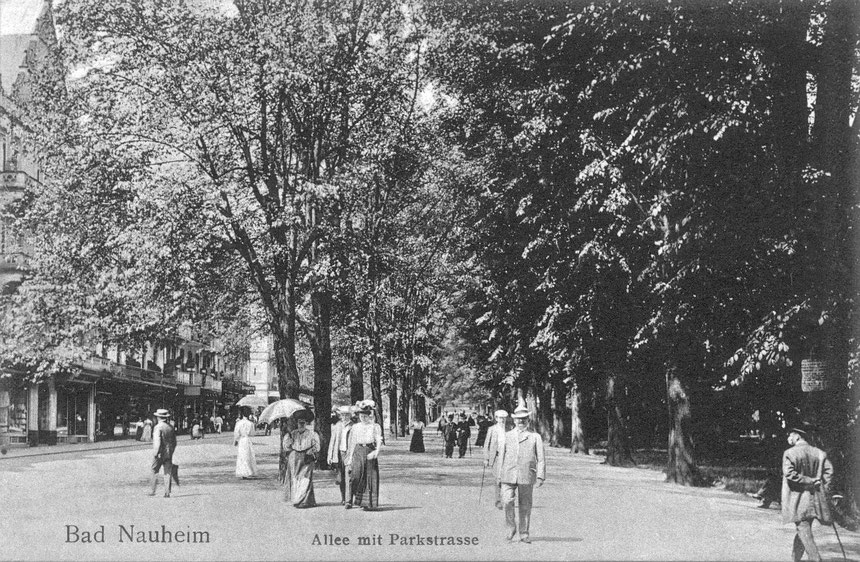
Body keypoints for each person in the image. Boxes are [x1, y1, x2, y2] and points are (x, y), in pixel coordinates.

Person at [782, 425, 833, 562]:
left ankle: (815, 558)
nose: (788, 438)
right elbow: (829, 473)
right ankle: (795, 558)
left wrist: (809, 481)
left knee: (803, 528)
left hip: (797, 499)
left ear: (797, 436)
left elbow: (790, 474)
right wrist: (823, 487)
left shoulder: (790, 453)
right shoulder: (820, 453)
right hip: (816, 499)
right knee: (804, 527)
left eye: (790, 435)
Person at [498, 406, 545, 543]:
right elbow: (501, 456)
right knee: (507, 501)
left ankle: (524, 533)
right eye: (518, 419)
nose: (521, 421)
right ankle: (510, 528)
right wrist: (499, 476)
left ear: (528, 420)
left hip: (526, 475)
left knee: (525, 505)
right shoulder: (507, 436)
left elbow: (541, 458)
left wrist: (541, 476)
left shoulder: (535, 437)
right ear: (514, 420)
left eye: (524, 419)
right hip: (508, 474)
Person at [346, 400, 383, 510]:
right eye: (361, 416)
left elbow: (379, 440)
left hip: (369, 450)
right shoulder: (355, 427)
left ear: (369, 416)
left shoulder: (374, 426)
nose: (363, 418)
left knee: (370, 477)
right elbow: (352, 442)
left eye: (365, 416)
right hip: (358, 451)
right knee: (355, 475)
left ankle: (367, 503)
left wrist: (376, 452)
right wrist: (349, 457)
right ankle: (351, 499)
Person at [284, 409, 321, 508]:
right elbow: (287, 447)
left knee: (305, 478)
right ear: (296, 423)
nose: (301, 424)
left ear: (306, 423)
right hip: (295, 457)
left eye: (303, 422)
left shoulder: (312, 434)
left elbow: (317, 447)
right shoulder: (293, 433)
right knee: (295, 478)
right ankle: (297, 499)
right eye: (299, 422)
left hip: (307, 458)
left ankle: (304, 500)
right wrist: (288, 438)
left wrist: (311, 450)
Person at [327, 405, 355, 505]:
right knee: (341, 477)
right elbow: (332, 441)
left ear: (350, 415)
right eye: (342, 415)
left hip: (349, 453)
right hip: (338, 453)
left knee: (349, 477)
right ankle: (343, 498)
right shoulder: (337, 426)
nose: (344, 417)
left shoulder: (353, 426)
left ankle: (348, 500)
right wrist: (329, 456)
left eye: (347, 415)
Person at [484, 409, 509, 509]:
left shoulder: (509, 429)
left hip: (507, 458)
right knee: (498, 479)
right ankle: (498, 500)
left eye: (504, 418)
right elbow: (487, 445)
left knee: (506, 478)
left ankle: (506, 499)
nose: (502, 420)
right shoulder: (492, 429)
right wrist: (486, 458)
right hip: (497, 457)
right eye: (500, 418)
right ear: (496, 418)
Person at [149, 409, 177, 498]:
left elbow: (157, 441)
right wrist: (171, 451)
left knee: (154, 470)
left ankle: (153, 490)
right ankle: (167, 492)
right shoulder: (170, 427)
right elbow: (174, 442)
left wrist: (156, 453)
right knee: (167, 472)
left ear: (158, 417)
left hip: (160, 452)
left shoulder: (158, 427)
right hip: (168, 452)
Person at [234, 407, 258, 479]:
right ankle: (249, 471)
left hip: (241, 440)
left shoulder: (239, 423)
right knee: (248, 455)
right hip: (247, 440)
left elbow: (236, 433)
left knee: (242, 456)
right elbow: (252, 433)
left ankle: (242, 472)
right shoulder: (250, 423)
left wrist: (236, 440)